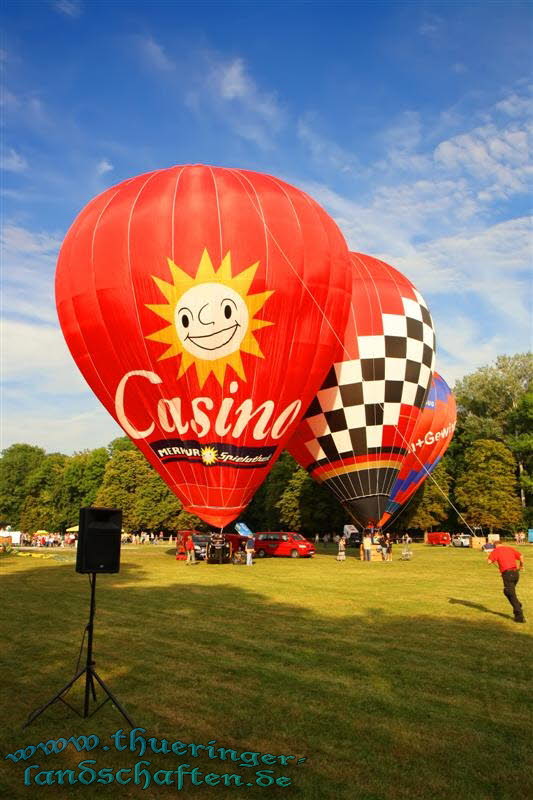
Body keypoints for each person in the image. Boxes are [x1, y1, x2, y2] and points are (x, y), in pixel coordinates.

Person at [487, 540, 525, 623]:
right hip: (516, 574)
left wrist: (489, 556)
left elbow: (489, 562)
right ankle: (518, 604)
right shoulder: (510, 548)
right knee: (507, 591)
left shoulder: (495, 551)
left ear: (495, 546)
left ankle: (519, 616)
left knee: (511, 594)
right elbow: (521, 556)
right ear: (502, 544)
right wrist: (521, 566)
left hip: (508, 575)